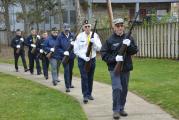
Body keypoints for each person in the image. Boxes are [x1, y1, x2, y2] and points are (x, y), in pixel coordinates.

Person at [100, 18, 138, 119]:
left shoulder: (129, 37)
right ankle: (116, 110)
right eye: (117, 26)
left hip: (125, 68)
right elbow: (103, 54)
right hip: (114, 68)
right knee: (117, 88)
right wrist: (114, 59)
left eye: (121, 25)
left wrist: (129, 45)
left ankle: (121, 108)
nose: (120, 28)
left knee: (124, 89)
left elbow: (134, 50)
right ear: (114, 27)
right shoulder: (109, 40)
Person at [74, 20, 102, 104]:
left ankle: (89, 93)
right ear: (83, 27)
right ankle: (85, 95)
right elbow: (75, 50)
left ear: (91, 27)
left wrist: (94, 44)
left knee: (90, 77)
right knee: (84, 77)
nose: (87, 28)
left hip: (92, 59)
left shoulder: (95, 35)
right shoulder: (79, 36)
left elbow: (99, 48)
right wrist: (84, 57)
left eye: (88, 26)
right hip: (82, 60)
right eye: (85, 26)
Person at [56, 23, 75, 92]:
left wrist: (74, 47)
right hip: (64, 57)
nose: (66, 31)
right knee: (66, 70)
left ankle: (70, 83)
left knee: (70, 71)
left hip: (71, 56)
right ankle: (67, 86)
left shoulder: (72, 36)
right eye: (65, 29)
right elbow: (57, 47)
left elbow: (76, 46)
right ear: (63, 29)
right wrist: (63, 52)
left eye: (67, 29)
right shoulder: (59, 37)